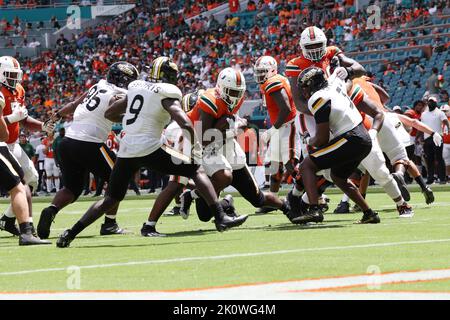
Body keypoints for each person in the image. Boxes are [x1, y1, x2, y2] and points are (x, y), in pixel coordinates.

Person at [56, 57, 247, 248]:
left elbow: (110, 113)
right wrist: (195, 145)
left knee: (111, 199)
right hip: (149, 147)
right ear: (171, 77)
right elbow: (183, 120)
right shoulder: (168, 92)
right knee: (195, 170)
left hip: (126, 150)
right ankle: (221, 218)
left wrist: (136, 115)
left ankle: (70, 234)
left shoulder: (136, 87)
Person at [37, 61, 139, 240]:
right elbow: (111, 112)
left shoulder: (97, 85)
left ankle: (51, 209)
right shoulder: (121, 93)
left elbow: (74, 104)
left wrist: (56, 116)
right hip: (89, 143)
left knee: (71, 188)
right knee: (118, 180)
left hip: (67, 141)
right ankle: (110, 223)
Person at [178, 67, 293, 225]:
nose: (235, 96)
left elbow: (228, 122)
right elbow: (204, 138)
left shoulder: (234, 99)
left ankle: (288, 208)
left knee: (257, 198)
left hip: (226, 145)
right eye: (231, 92)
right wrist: (233, 129)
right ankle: (194, 195)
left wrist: (235, 124)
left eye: (238, 92)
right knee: (204, 215)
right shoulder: (210, 99)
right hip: (203, 147)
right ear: (221, 87)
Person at [294, 67, 379, 224]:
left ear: (312, 84)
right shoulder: (334, 85)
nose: (303, 91)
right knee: (338, 177)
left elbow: (322, 139)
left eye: (305, 86)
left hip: (351, 138)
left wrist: (308, 140)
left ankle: (314, 210)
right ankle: (369, 213)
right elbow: (344, 77)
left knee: (306, 166)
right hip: (363, 137)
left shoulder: (317, 98)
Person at [0, 56, 54, 235]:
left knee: (31, 179)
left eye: (16, 75)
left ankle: (9, 219)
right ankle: (25, 227)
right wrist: (12, 118)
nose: (13, 79)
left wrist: (42, 126)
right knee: (19, 183)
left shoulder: (18, 89)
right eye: (9, 74)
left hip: (12, 144)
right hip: (1, 144)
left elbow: (23, 119)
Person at [254, 56, 299, 214]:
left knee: (290, 165)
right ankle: (272, 199)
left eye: (263, 72)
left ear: (272, 70)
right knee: (274, 164)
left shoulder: (273, 82)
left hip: (287, 126)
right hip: (281, 127)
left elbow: (285, 109)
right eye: (258, 72)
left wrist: (273, 130)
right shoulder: (272, 81)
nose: (260, 75)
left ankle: (315, 196)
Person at [421, 96, 450, 184]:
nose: (431, 103)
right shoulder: (424, 114)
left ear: (436, 103)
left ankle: (442, 178)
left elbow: (445, 121)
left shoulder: (440, 112)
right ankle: (430, 178)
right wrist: (421, 137)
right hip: (427, 138)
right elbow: (422, 126)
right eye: (429, 101)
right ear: (427, 103)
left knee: (439, 158)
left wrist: (448, 128)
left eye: (432, 101)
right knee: (429, 159)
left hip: (437, 137)